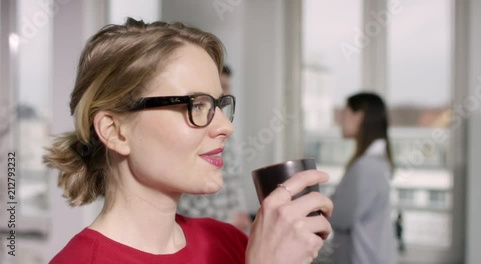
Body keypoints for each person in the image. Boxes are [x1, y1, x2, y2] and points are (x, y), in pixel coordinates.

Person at [43, 18, 333, 264]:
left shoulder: (228, 241)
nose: (225, 127)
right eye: (196, 104)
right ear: (115, 131)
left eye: (219, 105)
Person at [177, 65, 252, 232]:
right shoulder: (194, 133)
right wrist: (226, 221)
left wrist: (241, 214)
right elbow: (186, 201)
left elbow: (234, 181)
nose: (225, 93)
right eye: (220, 87)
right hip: (204, 229)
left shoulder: (224, 131)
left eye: (226, 87)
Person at [328, 92, 396, 264]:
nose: (340, 120)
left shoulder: (367, 167)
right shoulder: (375, 163)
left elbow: (340, 217)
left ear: (360, 116)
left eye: (345, 113)